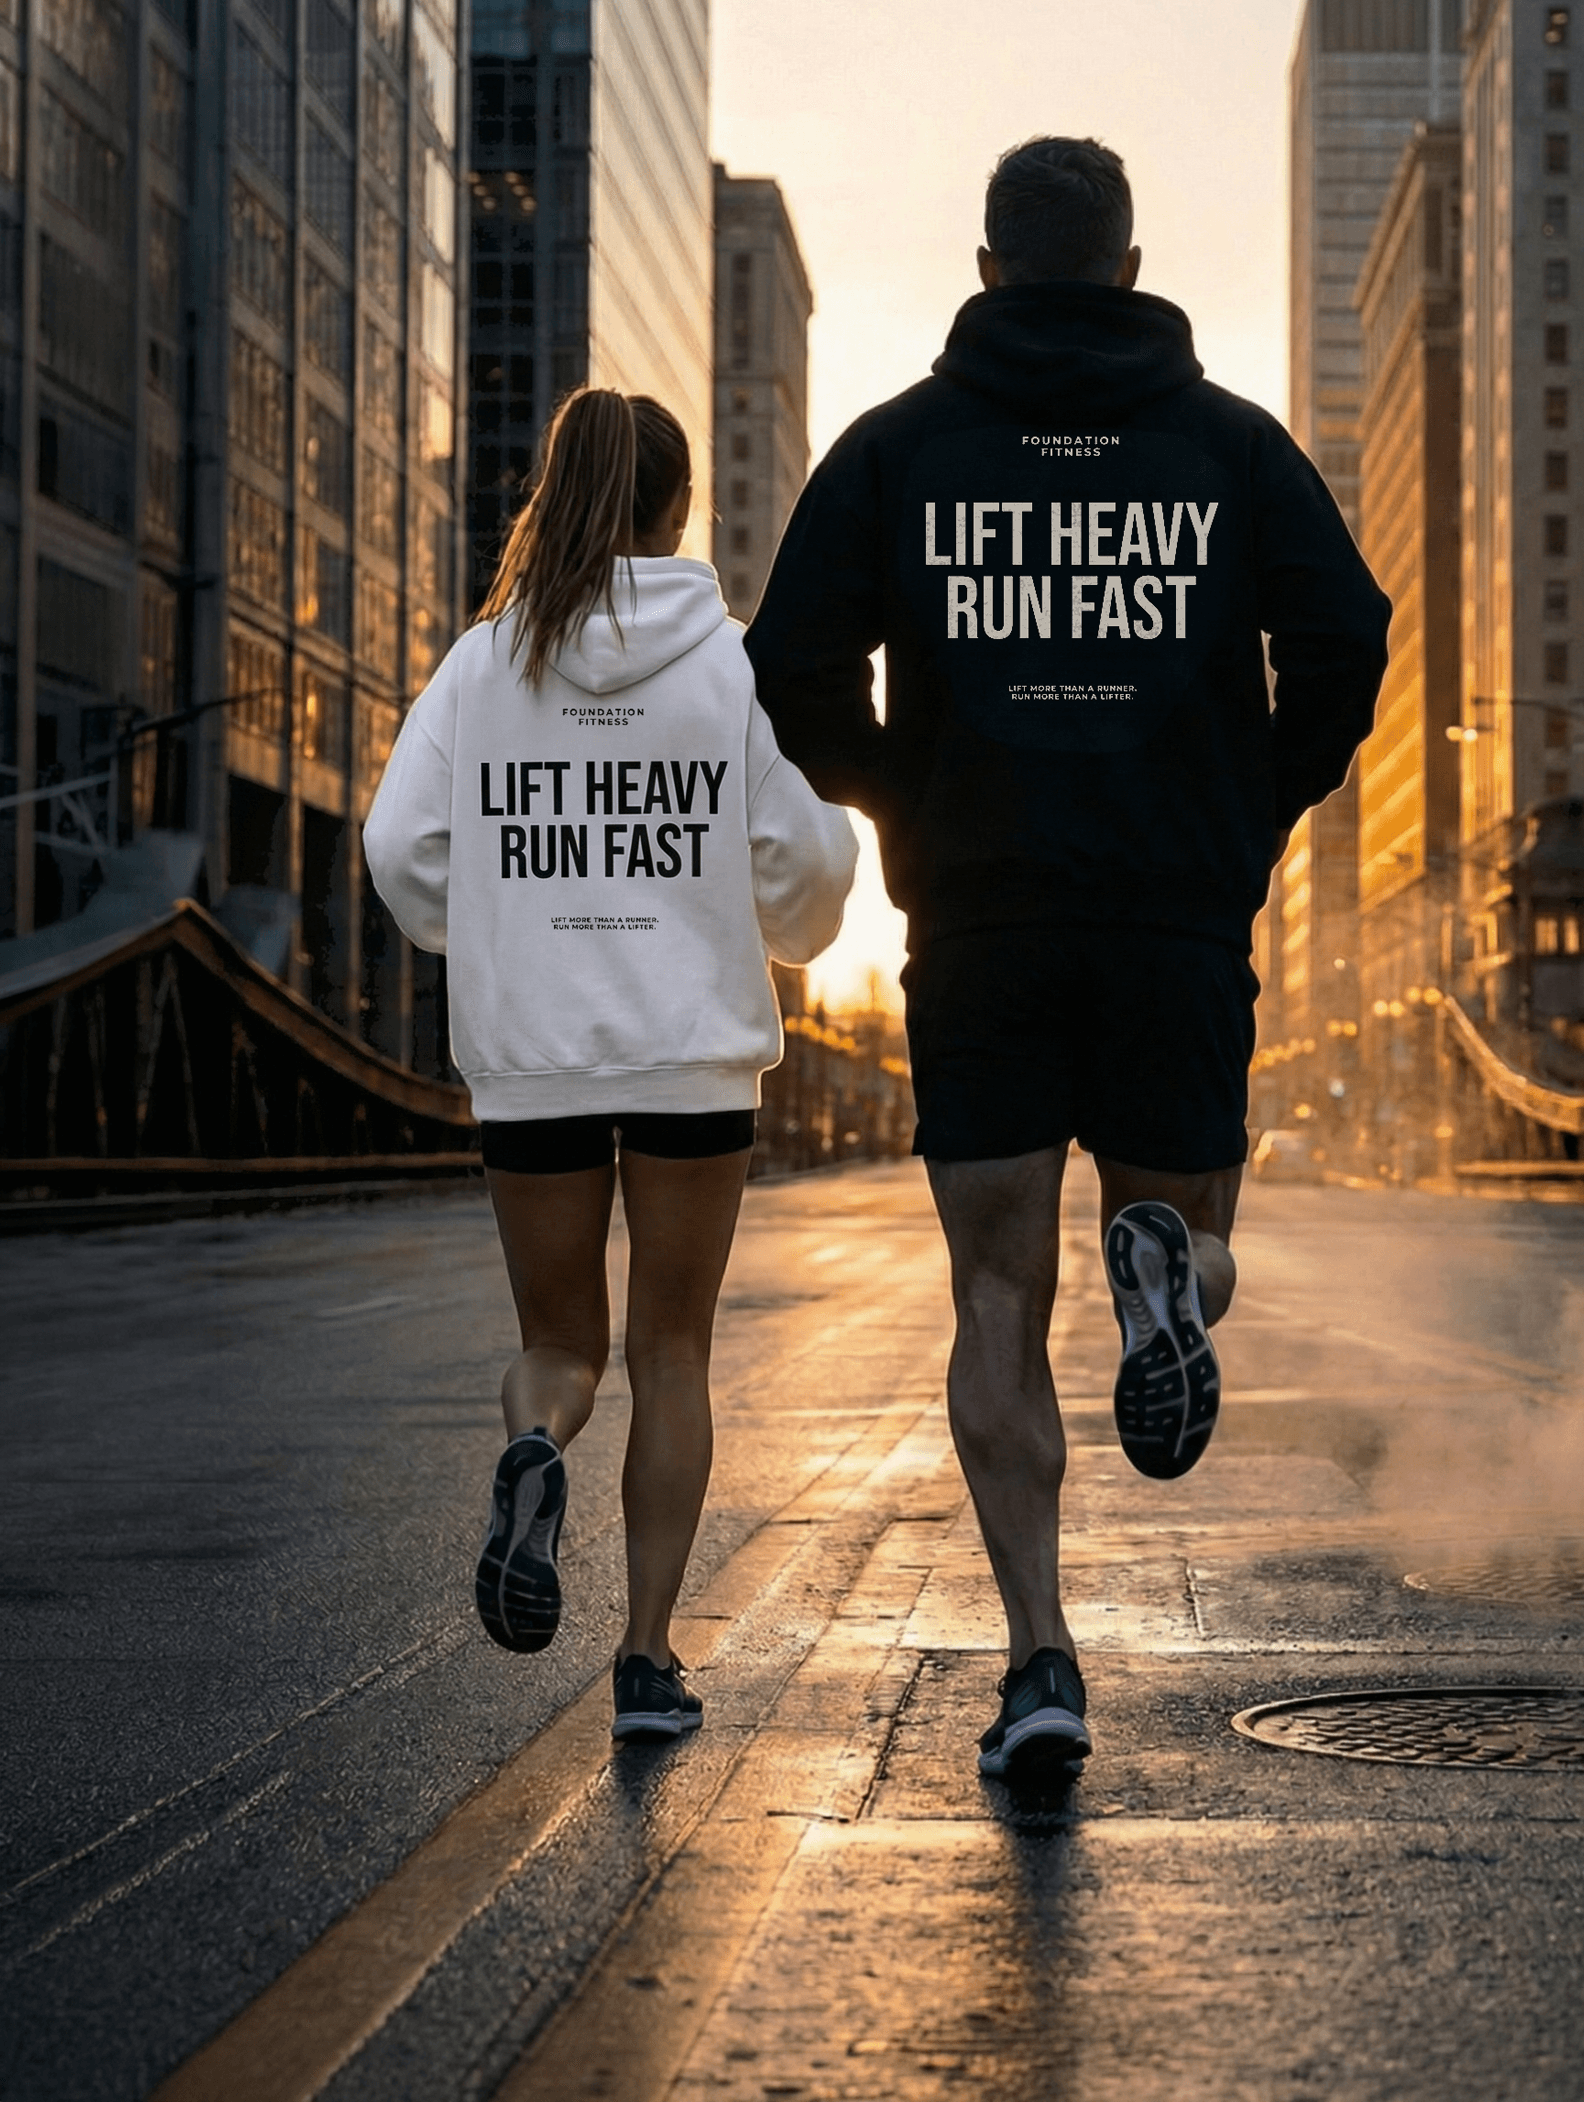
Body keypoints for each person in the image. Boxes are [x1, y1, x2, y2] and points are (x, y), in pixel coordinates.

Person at [744, 137, 1389, 1784]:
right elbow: (1347, 635)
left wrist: (906, 790)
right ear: (1127, 267)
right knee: (1195, 1230)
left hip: (984, 924)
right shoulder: (1232, 447)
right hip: (1175, 918)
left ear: (986, 272)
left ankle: (1040, 1660)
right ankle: (1172, 1275)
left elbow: (793, 662)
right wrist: (1247, 801)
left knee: (995, 1292)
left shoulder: (899, 451)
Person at [365, 389, 857, 1739]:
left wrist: (506, 930)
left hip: (535, 1064)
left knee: (561, 1343)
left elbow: (400, 847)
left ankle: (535, 1443)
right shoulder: (736, 668)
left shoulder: (483, 668)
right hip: (691, 1059)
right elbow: (805, 869)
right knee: (675, 1348)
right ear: (678, 509)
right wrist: (791, 923)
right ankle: (646, 1658)